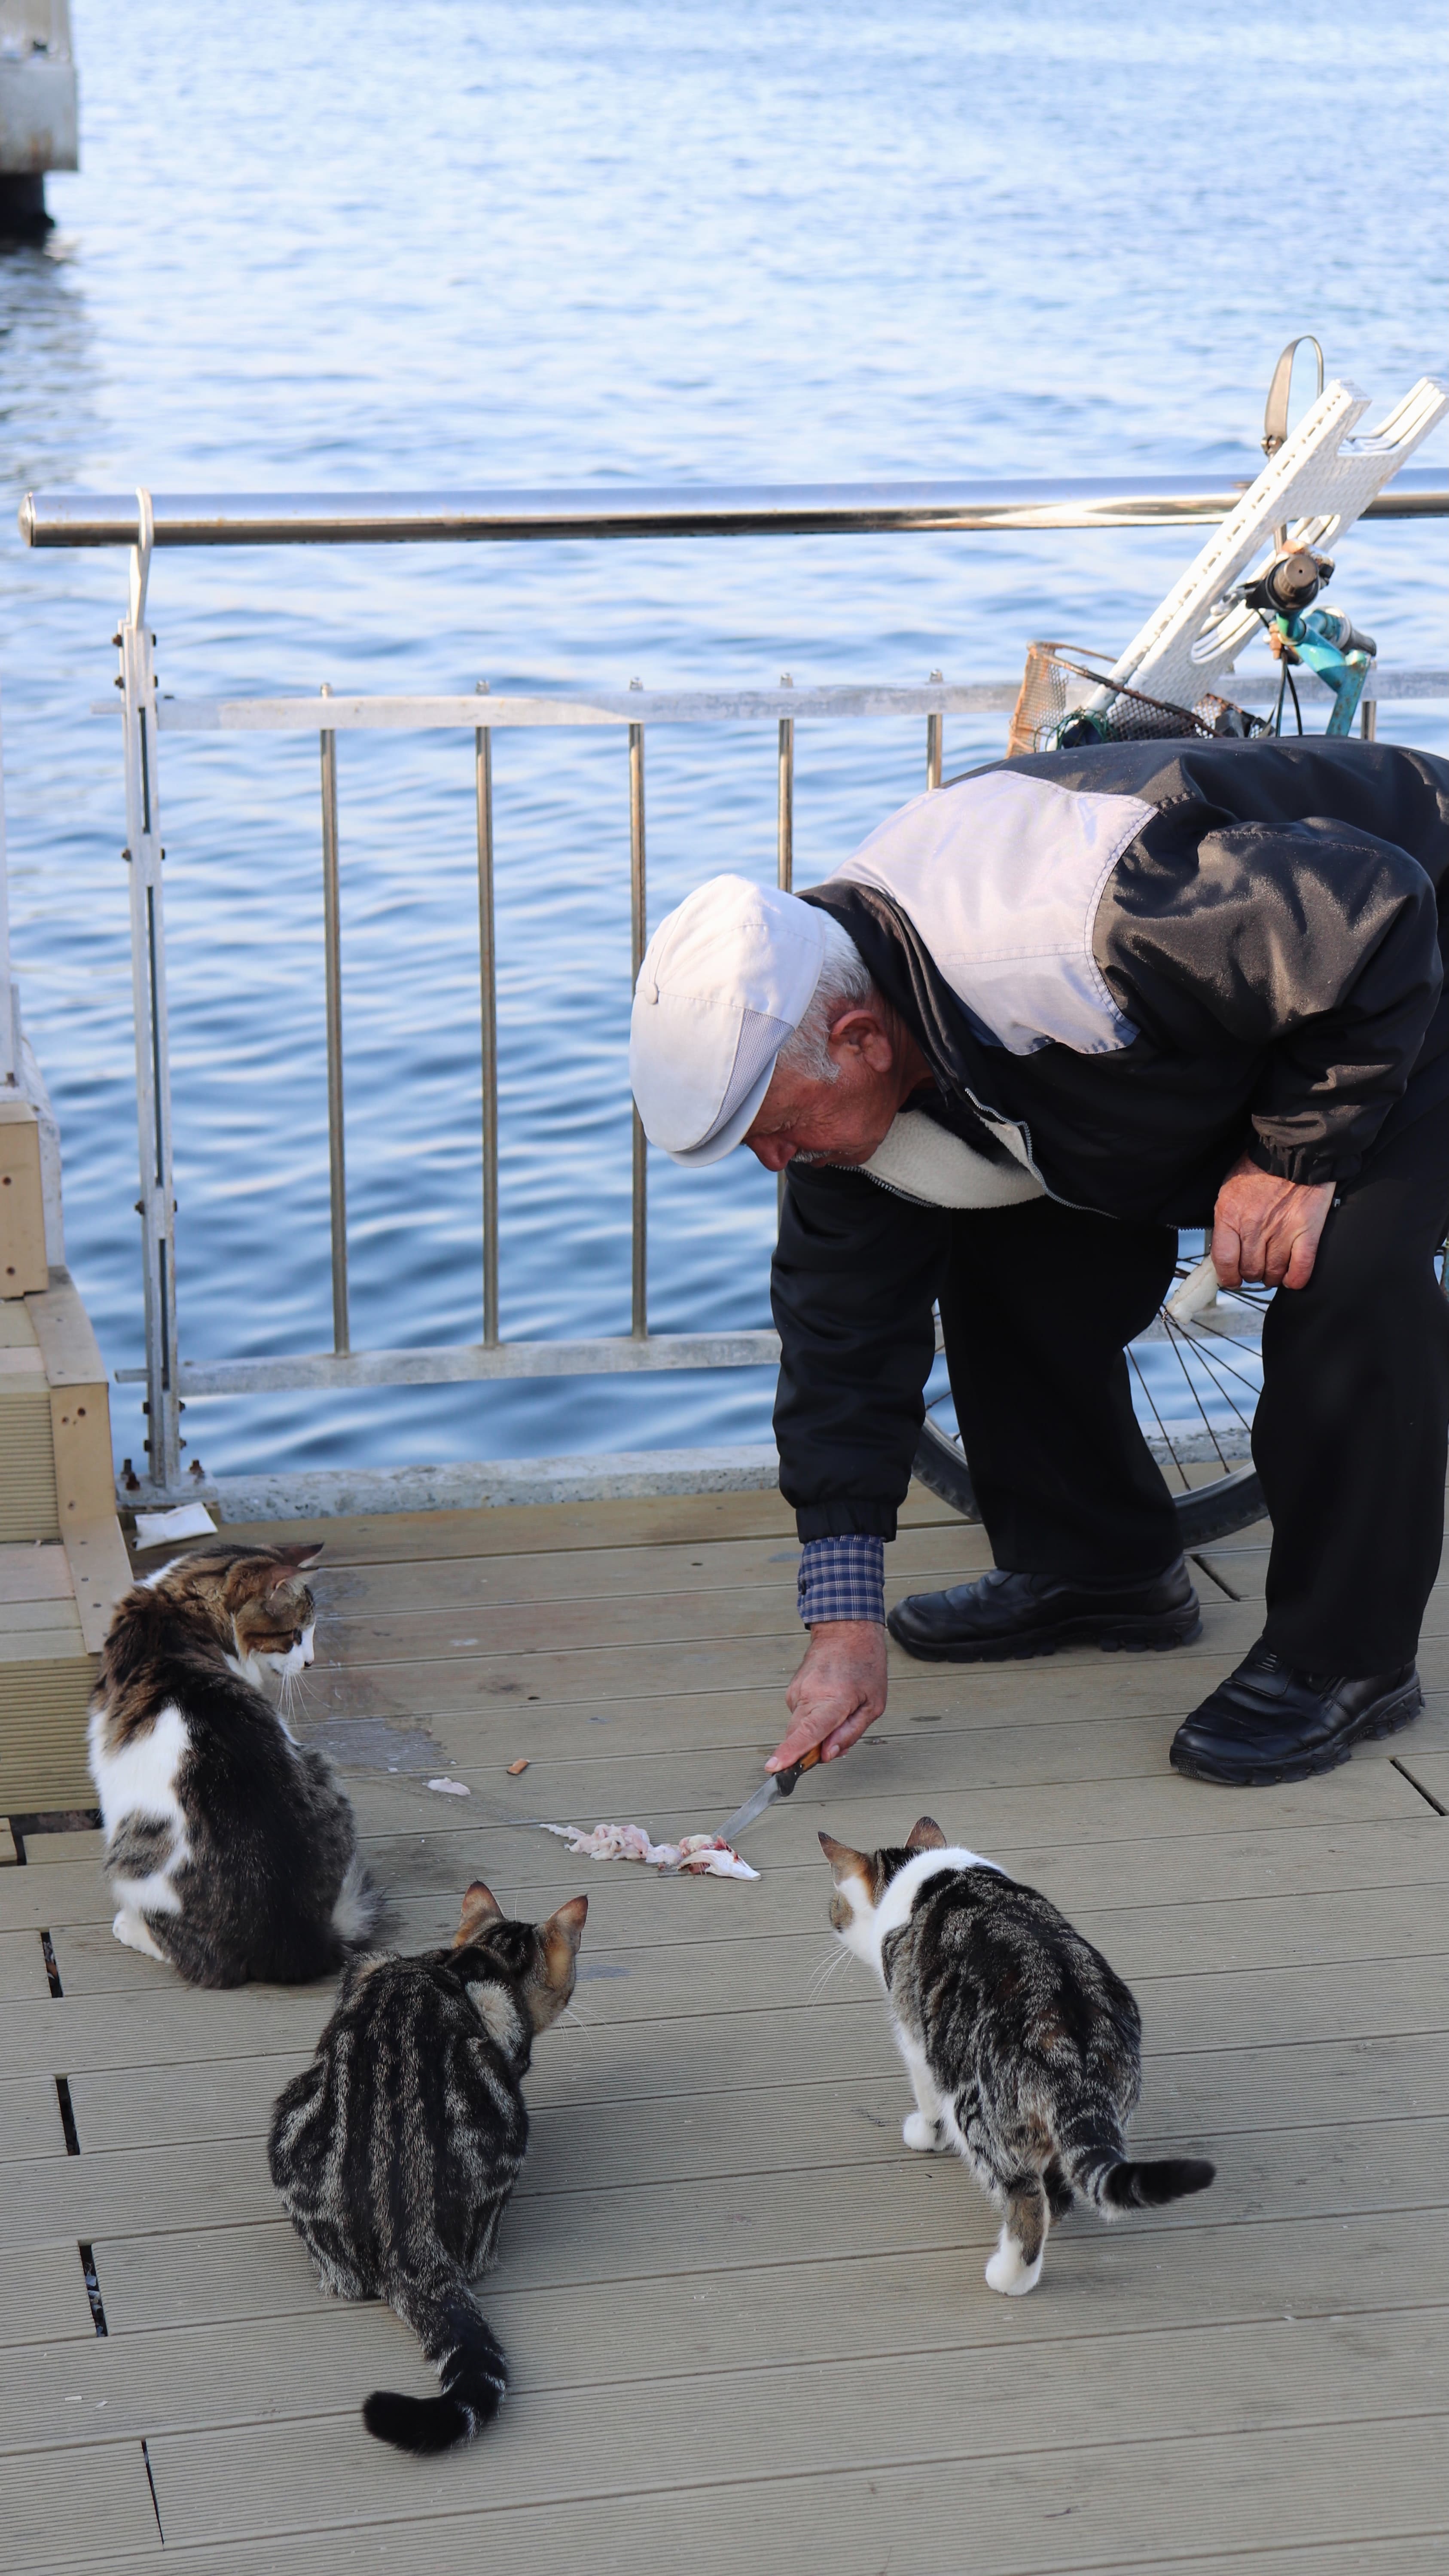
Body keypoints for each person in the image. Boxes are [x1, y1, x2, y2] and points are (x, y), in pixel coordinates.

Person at [628, 736, 1449, 1789]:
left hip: (1402, 965)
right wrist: (842, 1623)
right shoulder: (837, 1040)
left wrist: (1293, 1154)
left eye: (777, 1129)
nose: (775, 1162)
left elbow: (1378, 908)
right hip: (1244, 1010)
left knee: (1343, 1272)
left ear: (859, 1039)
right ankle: (1096, 1566)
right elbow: (839, 1340)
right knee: (1003, 1240)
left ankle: (1345, 1659)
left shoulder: (1069, 928)